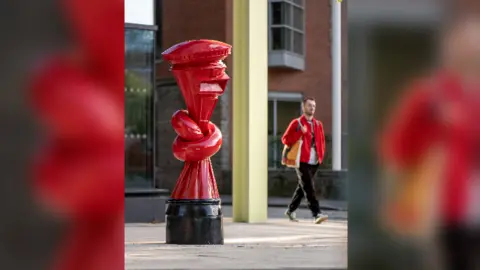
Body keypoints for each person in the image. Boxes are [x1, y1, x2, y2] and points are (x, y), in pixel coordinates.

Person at [379, 15, 480, 270]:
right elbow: (398, 150)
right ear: (450, 49)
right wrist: (395, 205)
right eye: (465, 46)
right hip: (444, 209)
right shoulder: (428, 95)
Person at [282, 97, 328, 224]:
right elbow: (285, 140)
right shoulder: (296, 123)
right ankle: (316, 213)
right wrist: (299, 133)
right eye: (309, 105)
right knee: (309, 187)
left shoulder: (318, 124)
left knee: (303, 187)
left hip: (315, 161)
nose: (312, 108)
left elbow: (322, 142)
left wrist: (321, 156)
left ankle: (290, 210)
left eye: (314, 106)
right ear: (303, 107)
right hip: (301, 160)